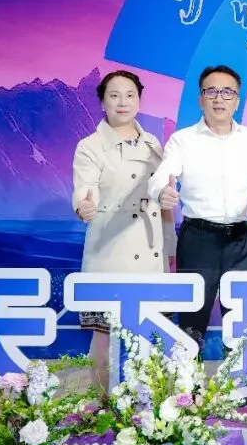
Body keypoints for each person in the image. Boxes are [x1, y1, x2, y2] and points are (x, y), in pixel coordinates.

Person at [148, 65, 247, 352]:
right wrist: (162, 192)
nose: (219, 99)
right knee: (191, 322)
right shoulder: (183, 140)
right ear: (200, 99)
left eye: (227, 92)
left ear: (237, 101)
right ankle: (187, 380)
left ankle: (237, 380)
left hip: (242, 242)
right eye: (211, 91)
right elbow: (161, 176)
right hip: (198, 240)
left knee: (241, 323)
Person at [72, 70, 175, 389]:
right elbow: (85, 188)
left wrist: (171, 245)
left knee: (151, 337)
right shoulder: (90, 146)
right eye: (114, 95)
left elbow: (163, 196)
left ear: (139, 100)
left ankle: (152, 408)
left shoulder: (153, 143)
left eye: (130, 95)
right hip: (110, 254)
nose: (123, 102)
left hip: (150, 256)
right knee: (104, 337)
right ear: (102, 101)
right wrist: (83, 205)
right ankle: (102, 404)